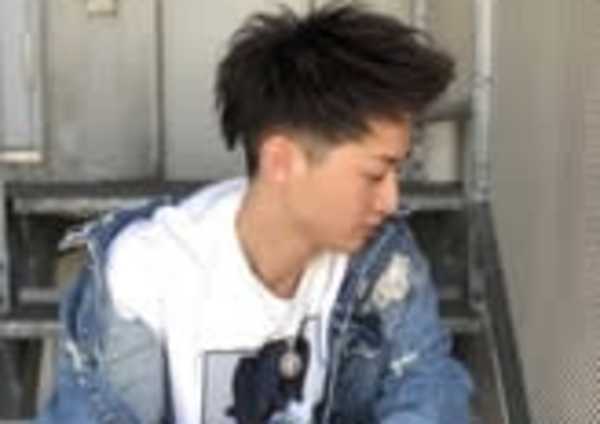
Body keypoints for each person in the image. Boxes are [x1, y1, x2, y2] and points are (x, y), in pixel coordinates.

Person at [38, 3, 472, 423]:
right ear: (281, 161)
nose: (391, 201)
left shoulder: (380, 259)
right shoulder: (148, 273)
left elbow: (429, 388)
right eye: (374, 175)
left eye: (397, 172)